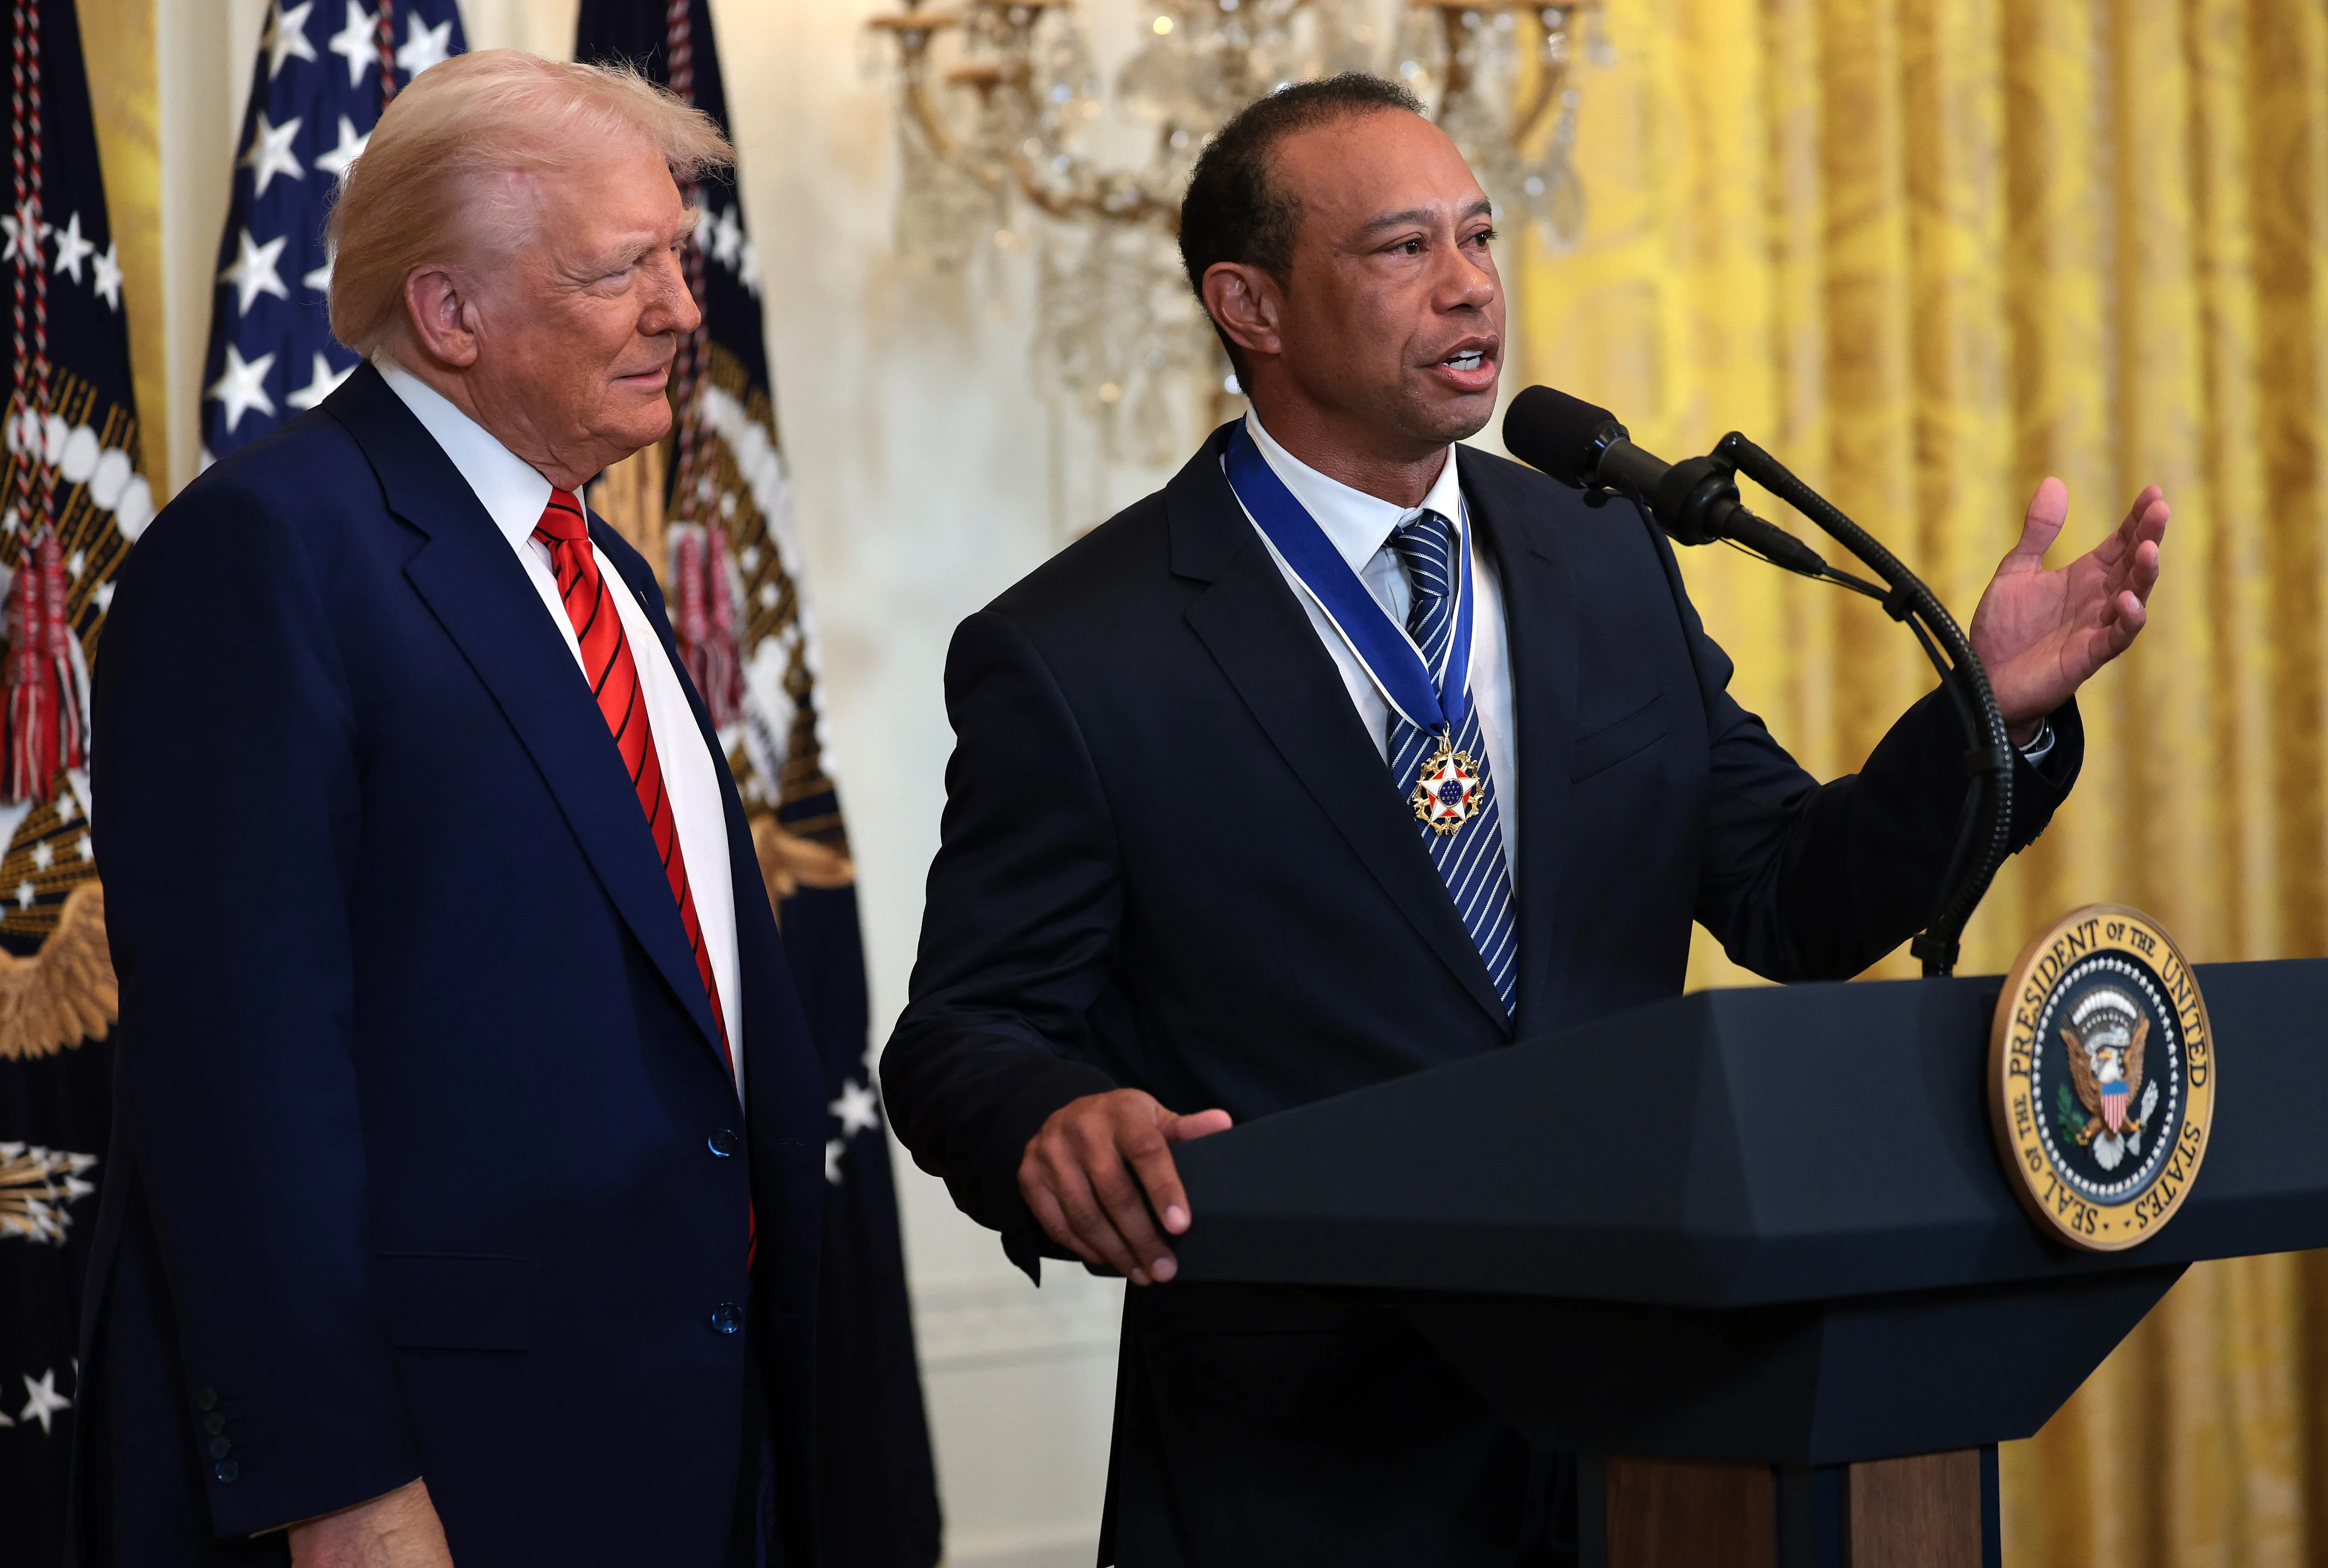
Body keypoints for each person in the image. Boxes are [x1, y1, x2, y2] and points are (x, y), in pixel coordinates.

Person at [881, 74, 2167, 1564]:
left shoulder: (1604, 548)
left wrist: (1987, 718)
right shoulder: (1080, 649)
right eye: (1402, 249)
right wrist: (1047, 1114)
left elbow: (1792, 895)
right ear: (1252, 304)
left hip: (1657, 1427)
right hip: (1304, 1469)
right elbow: (963, 1032)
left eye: (1480, 237)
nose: (1470, 285)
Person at [73, 52, 822, 1568]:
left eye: (680, 258)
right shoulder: (266, 555)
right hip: (436, 1476)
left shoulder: (592, 564)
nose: (685, 310)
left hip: (684, 1429)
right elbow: (239, 1075)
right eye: (628, 269)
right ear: (449, 312)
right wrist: (335, 1486)